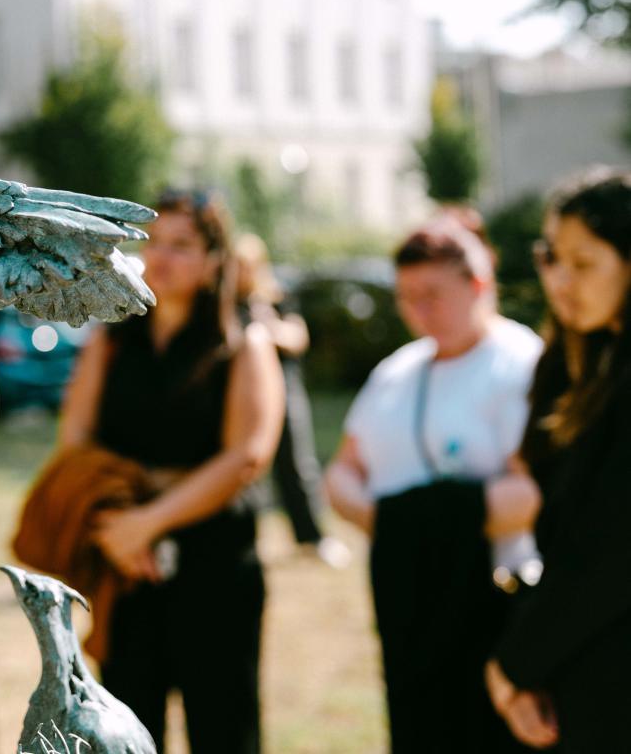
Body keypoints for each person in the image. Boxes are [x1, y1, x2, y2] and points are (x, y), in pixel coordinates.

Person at [58, 189, 285, 754]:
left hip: (217, 568)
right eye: (154, 242)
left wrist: (149, 521)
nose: (162, 257)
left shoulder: (243, 343)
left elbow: (247, 457)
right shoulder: (111, 337)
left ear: (214, 259)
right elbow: (75, 439)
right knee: (130, 735)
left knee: (224, 730)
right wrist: (117, 524)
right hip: (126, 568)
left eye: (182, 245)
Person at [324, 218, 541, 753]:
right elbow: (342, 471)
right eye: (406, 297)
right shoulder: (397, 371)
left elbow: (530, 494)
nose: (418, 311)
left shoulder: (519, 363)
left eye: (432, 295)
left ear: (478, 285)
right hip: (408, 597)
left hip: (491, 599)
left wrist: (420, 519)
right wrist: (389, 522)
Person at [485, 168, 631, 752]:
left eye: (584, 262)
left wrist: (515, 665)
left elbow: (614, 552)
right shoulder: (572, 361)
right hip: (579, 663)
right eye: (552, 258)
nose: (561, 280)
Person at [231, 234, 348, 567]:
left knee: (296, 464)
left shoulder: (277, 297)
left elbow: (298, 337)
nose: (241, 272)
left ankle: (312, 537)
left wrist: (264, 327)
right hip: (243, 396)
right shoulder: (223, 303)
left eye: (246, 265)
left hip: (283, 390)